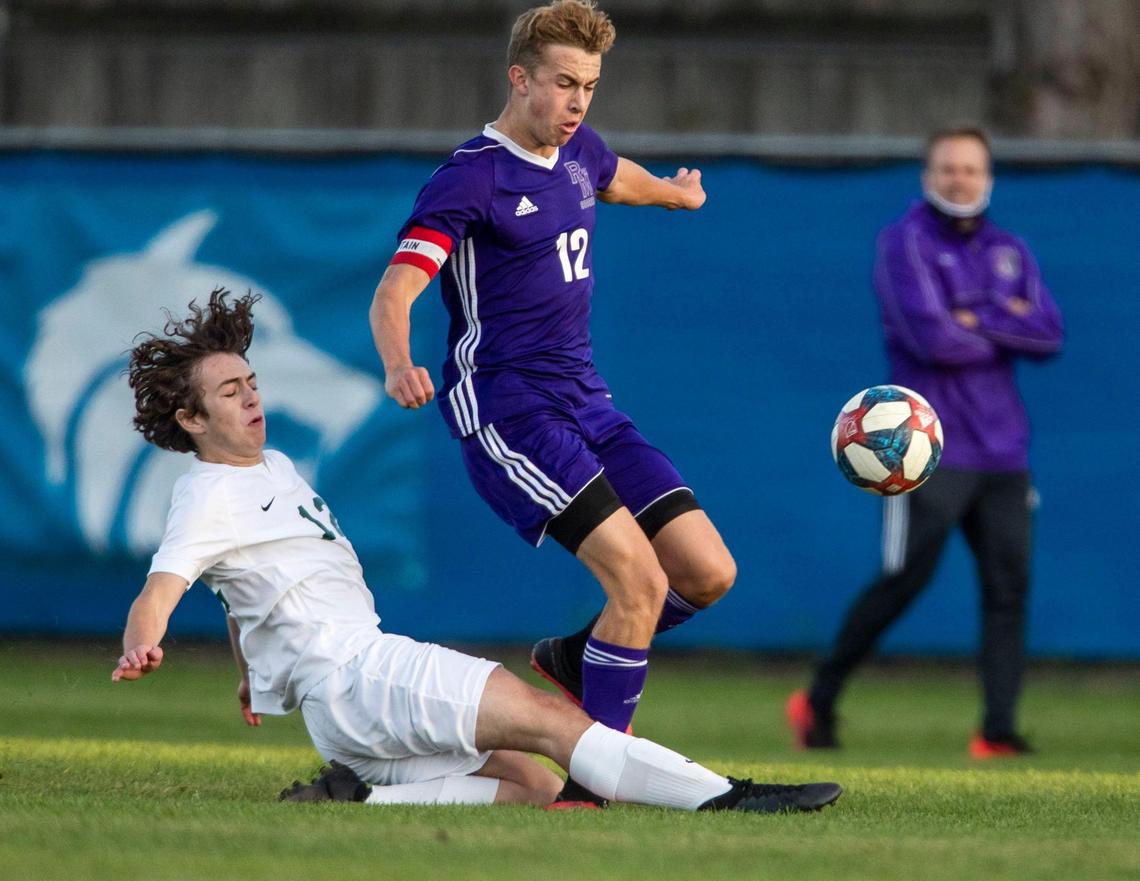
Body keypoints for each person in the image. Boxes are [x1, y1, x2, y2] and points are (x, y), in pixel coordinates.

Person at [113, 288, 842, 813]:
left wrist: (250, 676)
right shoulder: (206, 495)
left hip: (342, 706)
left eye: (251, 382)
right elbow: (163, 589)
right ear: (189, 418)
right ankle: (730, 797)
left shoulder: (268, 469)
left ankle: (357, 800)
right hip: (361, 672)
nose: (250, 398)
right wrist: (142, 644)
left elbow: (240, 592)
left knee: (533, 785)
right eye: (230, 391)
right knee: (556, 724)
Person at [370, 0, 735, 736]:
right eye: (564, 82)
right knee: (638, 579)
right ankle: (596, 784)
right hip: (510, 409)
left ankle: (577, 658)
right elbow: (396, 288)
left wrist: (671, 193)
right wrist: (399, 361)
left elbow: (610, 174)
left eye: (590, 86)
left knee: (705, 571)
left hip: (586, 400)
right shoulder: (470, 179)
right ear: (520, 78)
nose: (577, 102)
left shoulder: (576, 147)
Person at [786, 126, 1064, 758]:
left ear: (988, 178)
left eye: (970, 168)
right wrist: (1003, 319)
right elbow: (934, 337)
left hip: (1004, 451)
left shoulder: (1010, 251)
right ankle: (819, 698)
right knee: (906, 577)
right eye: (947, 168)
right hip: (923, 451)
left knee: (1008, 587)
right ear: (927, 177)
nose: (959, 179)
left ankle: (997, 731)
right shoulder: (904, 242)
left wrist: (979, 315)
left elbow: (1048, 333)